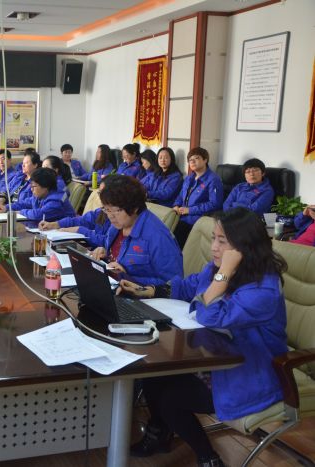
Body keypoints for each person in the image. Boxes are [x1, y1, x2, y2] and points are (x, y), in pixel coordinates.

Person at [119, 208, 287, 467]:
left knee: (171, 398)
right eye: (213, 238)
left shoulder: (263, 288)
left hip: (251, 371)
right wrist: (149, 290)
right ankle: (160, 433)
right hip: (215, 358)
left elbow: (210, 315)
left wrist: (224, 272)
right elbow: (189, 285)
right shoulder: (218, 269)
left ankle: (208, 458)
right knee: (152, 375)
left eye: (222, 241)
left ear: (244, 247)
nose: (214, 247)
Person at [89, 175, 182, 285]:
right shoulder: (118, 224)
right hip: (111, 284)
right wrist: (105, 252)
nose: (110, 216)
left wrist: (129, 278)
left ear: (134, 208)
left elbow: (173, 285)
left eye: (116, 211)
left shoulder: (158, 237)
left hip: (136, 294)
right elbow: (115, 252)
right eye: (107, 210)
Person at [39, 175, 119, 249]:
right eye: (99, 192)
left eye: (102, 193)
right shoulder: (101, 211)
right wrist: (54, 224)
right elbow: (80, 220)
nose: (99, 196)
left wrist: (79, 230)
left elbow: (107, 242)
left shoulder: (119, 216)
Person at [172, 147, 224, 248]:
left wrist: (190, 210)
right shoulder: (189, 178)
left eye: (196, 158)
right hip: (181, 216)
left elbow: (215, 204)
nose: (192, 162)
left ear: (205, 160)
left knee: (175, 238)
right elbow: (181, 195)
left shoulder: (213, 179)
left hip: (197, 219)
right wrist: (176, 205)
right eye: (190, 160)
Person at [0, 167, 75, 222]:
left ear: (45, 186)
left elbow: (38, 214)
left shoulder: (56, 199)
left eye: (34, 186)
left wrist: (20, 212)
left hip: (66, 234)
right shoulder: (41, 194)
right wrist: (6, 207)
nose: (31, 189)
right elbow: (24, 203)